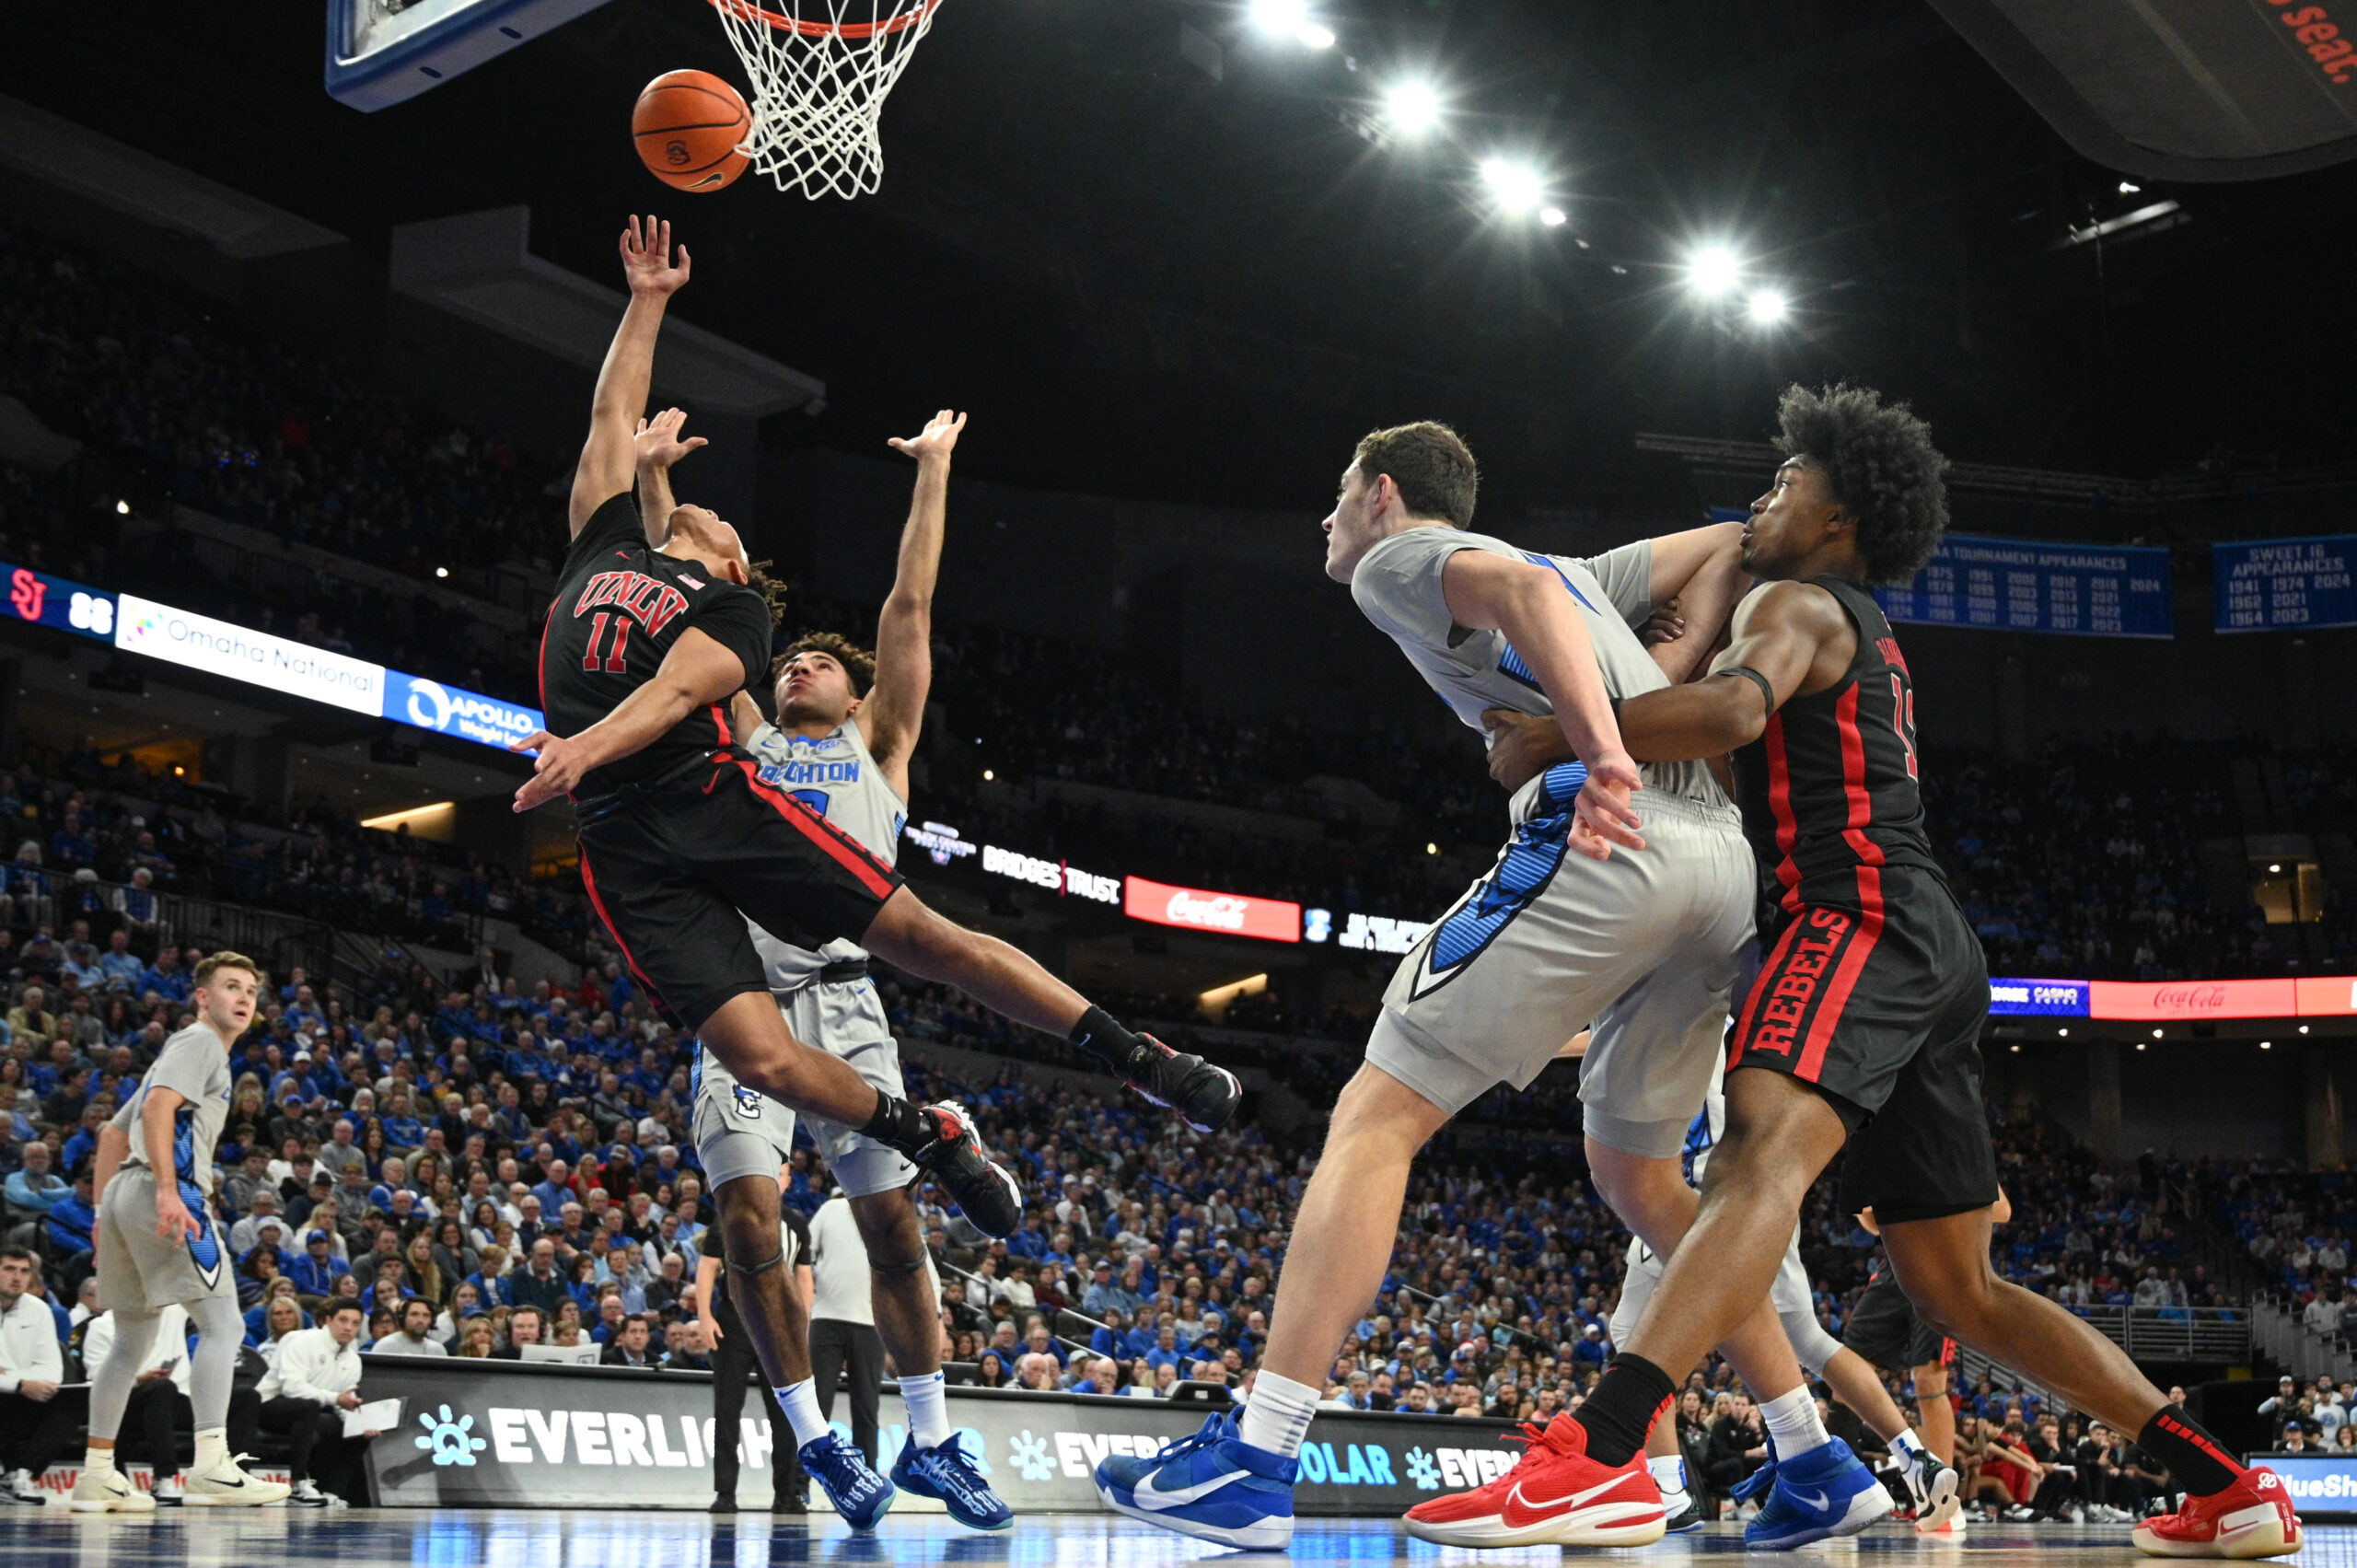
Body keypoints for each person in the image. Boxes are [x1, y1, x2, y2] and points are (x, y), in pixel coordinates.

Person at [1464, 384, 2301, 1560]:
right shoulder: (1859, 621)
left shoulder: (1797, 599)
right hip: (1927, 938)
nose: (1761, 501)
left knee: (1759, 1150)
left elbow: (1729, 713)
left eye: (1782, 484)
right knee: (1961, 1290)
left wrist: (1561, 731)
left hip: (1853, 916)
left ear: (1840, 514)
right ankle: (2224, 1482)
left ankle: (1600, 1449)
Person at [1099, 420, 1862, 1553]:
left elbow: (1512, 591)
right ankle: (1813, 1457)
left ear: (1385, 495)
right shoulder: (1589, 577)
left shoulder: (1403, 561)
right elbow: (1722, 544)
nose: (1325, 519)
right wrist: (1672, 661)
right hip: (1720, 866)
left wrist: (1598, 746)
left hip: (1609, 835)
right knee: (1643, 1177)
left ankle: (1255, 1456)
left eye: (1338, 494)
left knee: (1376, 1109)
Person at [642, 401, 1035, 1533]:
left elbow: (908, 603)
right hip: (746, 998)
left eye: (821, 660)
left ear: (858, 699)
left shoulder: (880, 751)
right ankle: (818, 1444)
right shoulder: (744, 744)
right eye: (791, 656)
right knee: (752, 1224)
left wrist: (933, 473)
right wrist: (659, 486)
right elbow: (675, 595)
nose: (800, 661)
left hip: (849, 999)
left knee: (895, 1230)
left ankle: (932, 1440)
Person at [1609, 1058, 1959, 1533]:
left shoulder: (1684, 1008)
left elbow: (1613, 1039)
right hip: (1768, 1190)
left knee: (1631, 1328)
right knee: (1809, 1339)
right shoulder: (1752, 1023)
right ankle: (1914, 1455)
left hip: (1699, 1194)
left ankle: (1668, 1491)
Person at [72, 952, 289, 1511]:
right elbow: (159, 1111)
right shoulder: (200, 1044)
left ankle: (97, 1472)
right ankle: (212, 1465)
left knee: (131, 1341)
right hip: (165, 1193)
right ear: (202, 996)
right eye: (230, 987)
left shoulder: (178, 1051)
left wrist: (104, 1218)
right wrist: (169, 1189)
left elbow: (111, 1138)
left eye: (250, 991)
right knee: (224, 1324)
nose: (243, 999)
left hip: (124, 1193)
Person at [1842, 1195, 2009, 1533]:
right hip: (1896, 1265)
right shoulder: (1882, 1155)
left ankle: (1942, 1502)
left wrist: (1933, 1210)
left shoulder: (1958, 1145)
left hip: (1945, 1267)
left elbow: (2002, 1210)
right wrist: (1872, 1210)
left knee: (1929, 1383)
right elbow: (1874, 1225)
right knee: (1845, 1368)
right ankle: (1836, 1490)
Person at [693, 1169, 810, 1514]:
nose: (777, 1178)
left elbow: (804, 1277)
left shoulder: (797, 1223)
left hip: (781, 1326)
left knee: (786, 1413)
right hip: (736, 1320)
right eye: (772, 1171)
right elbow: (707, 1267)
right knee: (727, 1409)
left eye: (784, 1174)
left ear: (790, 1182)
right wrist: (704, 1315)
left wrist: (802, 1325)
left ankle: (786, 1493)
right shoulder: (731, 1217)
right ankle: (725, 1492)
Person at [257, 1297, 374, 1506]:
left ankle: (331, 1492)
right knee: (308, 1407)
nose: (348, 1327)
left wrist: (360, 1425)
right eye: (343, 1320)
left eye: (355, 1323)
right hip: (268, 1406)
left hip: (310, 1413)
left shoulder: (353, 1360)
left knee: (356, 1432)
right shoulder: (302, 1341)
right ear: (328, 1320)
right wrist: (335, 1398)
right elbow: (292, 1388)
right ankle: (298, 1483)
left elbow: (343, 1404)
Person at [1, 1245, 74, 1504]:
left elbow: (52, 1370)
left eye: (24, 1271)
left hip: (23, 1397)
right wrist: (19, 1382)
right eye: (9, 1269)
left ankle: (23, 1474)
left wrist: (10, 1377)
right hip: (13, 1392)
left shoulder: (39, 1309)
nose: (18, 1277)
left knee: (72, 1402)